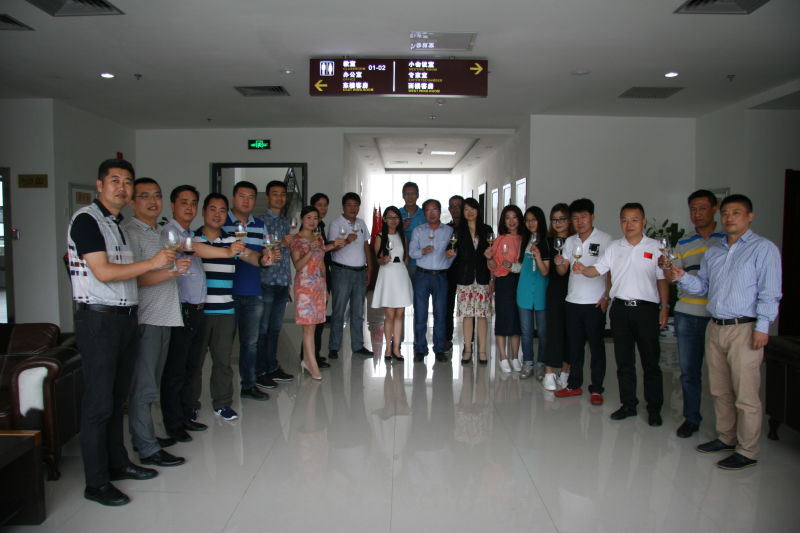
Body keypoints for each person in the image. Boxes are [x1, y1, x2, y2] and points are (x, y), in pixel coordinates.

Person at [67, 159, 174, 506]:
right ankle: (96, 483)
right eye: (115, 181)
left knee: (116, 400)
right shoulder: (87, 220)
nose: (122, 187)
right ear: (100, 185)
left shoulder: (116, 225)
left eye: (127, 182)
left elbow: (126, 273)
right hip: (99, 320)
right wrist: (154, 263)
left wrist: (156, 268)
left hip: (125, 318)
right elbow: (103, 272)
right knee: (99, 403)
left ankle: (117, 463)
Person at [671, 194, 781, 470]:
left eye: (737, 212)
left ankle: (748, 450)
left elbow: (770, 292)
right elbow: (703, 286)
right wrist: (683, 277)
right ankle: (726, 437)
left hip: (745, 328)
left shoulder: (763, 249)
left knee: (745, 393)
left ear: (750, 216)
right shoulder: (715, 252)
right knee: (719, 389)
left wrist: (763, 327)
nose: (729, 218)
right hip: (715, 326)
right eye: (727, 213)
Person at [573, 202, 669, 426]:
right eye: (624, 220)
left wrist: (664, 307)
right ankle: (628, 404)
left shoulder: (656, 247)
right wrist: (583, 270)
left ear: (643, 221)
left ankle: (654, 408)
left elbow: (662, 279)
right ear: (620, 222)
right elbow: (598, 270)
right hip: (620, 310)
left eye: (634, 220)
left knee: (650, 362)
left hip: (646, 311)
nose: (629, 224)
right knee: (624, 361)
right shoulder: (614, 247)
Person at [122, 178, 189, 469]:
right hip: (147, 318)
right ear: (132, 202)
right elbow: (134, 278)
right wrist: (172, 272)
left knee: (152, 383)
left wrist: (174, 269)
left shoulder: (161, 232)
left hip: (165, 316)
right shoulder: (130, 232)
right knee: (144, 386)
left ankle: (145, 436)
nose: (152, 201)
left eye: (156, 196)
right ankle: (147, 448)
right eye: (145, 196)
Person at [192, 193, 266, 422]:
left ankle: (222, 403)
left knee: (223, 362)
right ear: (204, 212)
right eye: (212, 209)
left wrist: (263, 260)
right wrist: (227, 251)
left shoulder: (232, 241)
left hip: (225, 310)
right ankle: (190, 405)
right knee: (194, 362)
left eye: (222, 210)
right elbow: (194, 251)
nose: (217, 214)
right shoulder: (192, 239)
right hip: (199, 312)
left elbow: (250, 256)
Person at [669, 190, 724, 439]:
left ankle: (727, 427)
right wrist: (668, 271)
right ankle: (691, 418)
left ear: (714, 208)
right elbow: (675, 276)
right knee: (689, 371)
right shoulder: (684, 243)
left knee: (721, 374)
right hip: (687, 314)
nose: (697, 213)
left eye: (702, 208)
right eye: (693, 209)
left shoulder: (726, 240)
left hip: (716, 315)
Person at [161, 185, 213, 442]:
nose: (189, 207)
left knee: (191, 367)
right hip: (181, 309)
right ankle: (173, 424)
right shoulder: (170, 233)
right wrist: (228, 251)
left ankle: (185, 415)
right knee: (176, 370)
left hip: (197, 308)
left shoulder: (190, 233)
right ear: (172, 205)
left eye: (193, 203)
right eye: (184, 202)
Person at [554, 198, 612, 403]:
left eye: (583, 217)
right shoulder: (570, 241)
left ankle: (596, 389)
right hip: (573, 301)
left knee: (596, 347)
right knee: (574, 346)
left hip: (595, 302)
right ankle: (574, 384)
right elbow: (563, 271)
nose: (579, 221)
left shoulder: (605, 240)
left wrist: (606, 296)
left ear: (592, 217)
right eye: (575, 218)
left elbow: (610, 272)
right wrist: (559, 262)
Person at [223, 181, 270, 401]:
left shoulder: (260, 225)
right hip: (225, 292)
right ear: (233, 198)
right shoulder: (222, 222)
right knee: (223, 345)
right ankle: (222, 393)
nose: (246, 200)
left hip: (252, 292)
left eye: (251, 197)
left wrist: (269, 257)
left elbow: (264, 253)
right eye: (242, 196)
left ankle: (249, 385)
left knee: (250, 343)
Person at [254, 180, 296, 387]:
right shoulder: (259, 222)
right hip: (266, 281)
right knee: (262, 329)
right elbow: (258, 249)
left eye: (282, 194)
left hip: (282, 282)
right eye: (275, 193)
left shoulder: (287, 222)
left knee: (275, 329)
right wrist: (281, 243)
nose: (279, 197)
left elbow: (287, 253)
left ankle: (272, 367)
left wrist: (289, 281)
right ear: (268, 197)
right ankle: (259, 370)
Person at [292, 206, 337, 380]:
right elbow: (297, 265)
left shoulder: (319, 238)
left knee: (315, 325)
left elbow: (321, 264)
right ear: (302, 219)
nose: (312, 221)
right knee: (308, 327)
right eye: (309, 217)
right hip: (304, 287)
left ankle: (307, 360)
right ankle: (312, 364)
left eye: (315, 218)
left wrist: (325, 286)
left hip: (318, 286)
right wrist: (310, 250)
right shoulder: (296, 240)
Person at [409, 199, 457, 362]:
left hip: (441, 276)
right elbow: (412, 253)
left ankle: (439, 349)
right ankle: (420, 349)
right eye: (428, 210)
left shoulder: (449, 231)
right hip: (422, 276)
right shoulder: (418, 230)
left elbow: (453, 252)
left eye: (434, 209)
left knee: (440, 313)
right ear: (424, 213)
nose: (431, 213)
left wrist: (449, 258)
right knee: (420, 313)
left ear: (440, 211)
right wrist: (422, 251)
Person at [327, 192, 374, 358]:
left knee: (358, 312)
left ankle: (358, 345)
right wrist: (347, 240)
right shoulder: (336, 224)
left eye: (356, 205)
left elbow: (366, 246)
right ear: (343, 206)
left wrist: (370, 268)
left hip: (360, 272)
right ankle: (334, 346)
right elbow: (331, 247)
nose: (353, 208)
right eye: (349, 205)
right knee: (339, 310)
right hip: (342, 272)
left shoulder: (361, 223)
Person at [486, 205, 526, 373]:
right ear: (503, 220)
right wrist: (489, 258)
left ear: (519, 219)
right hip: (503, 282)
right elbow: (493, 266)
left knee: (517, 318)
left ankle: (515, 356)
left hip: (521, 282)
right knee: (503, 318)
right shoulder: (499, 240)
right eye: (507, 217)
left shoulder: (525, 239)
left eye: (514, 217)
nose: (511, 221)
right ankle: (503, 356)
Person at [371, 206, 413, 361]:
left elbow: (405, 259)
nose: (393, 220)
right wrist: (383, 259)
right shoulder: (380, 236)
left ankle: (396, 348)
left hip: (400, 275)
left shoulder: (403, 237)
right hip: (387, 276)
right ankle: (388, 348)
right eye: (390, 217)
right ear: (384, 219)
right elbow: (378, 260)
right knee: (389, 315)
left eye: (396, 217)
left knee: (399, 314)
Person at [453, 198, 493, 365]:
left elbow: (492, 253)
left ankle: (482, 350)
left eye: (473, 209)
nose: (470, 212)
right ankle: (468, 349)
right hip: (465, 277)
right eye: (466, 209)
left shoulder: (486, 230)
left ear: (478, 210)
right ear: (463, 212)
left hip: (483, 277)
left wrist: (492, 277)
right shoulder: (458, 231)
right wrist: (450, 253)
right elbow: (452, 250)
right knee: (467, 315)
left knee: (482, 315)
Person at [542, 203, 574, 390]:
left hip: (574, 290)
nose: (558, 223)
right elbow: (545, 271)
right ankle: (548, 372)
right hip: (554, 290)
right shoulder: (548, 242)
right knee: (553, 330)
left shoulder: (576, 241)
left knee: (570, 332)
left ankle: (565, 371)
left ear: (569, 220)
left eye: (561, 219)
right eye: (554, 219)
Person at [517, 206, 551, 379]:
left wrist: (537, 255)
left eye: (534, 220)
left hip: (540, 291)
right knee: (526, 331)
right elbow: (520, 266)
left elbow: (545, 271)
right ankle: (528, 362)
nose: (530, 223)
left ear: (540, 220)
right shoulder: (525, 240)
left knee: (543, 332)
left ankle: (541, 363)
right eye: (527, 220)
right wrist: (506, 265)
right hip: (524, 290)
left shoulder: (546, 242)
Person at [300, 192, 332, 367]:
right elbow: (303, 260)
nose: (323, 208)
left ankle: (313, 355)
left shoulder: (320, 229)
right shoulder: (308, 232)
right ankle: (308, 357)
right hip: (308, 282)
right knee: (310, 323)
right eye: (319, 205)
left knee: (318, 320)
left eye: (325, 205)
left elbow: (321, 254)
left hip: (321, 277)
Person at [445, 195, 465, 350]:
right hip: (449, 272)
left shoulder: (471, 227)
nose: (455, 209)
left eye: (458, 206)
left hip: (466, 272)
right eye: (452, 206)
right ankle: (447, 338)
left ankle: (469, 341)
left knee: (468, 308)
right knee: (447, 307)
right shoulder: (446, 229)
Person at [399, 181, 426, 280]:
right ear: (403, 196)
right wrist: (401, 228)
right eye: (407, 194)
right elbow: (389, 235)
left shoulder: (424, 214)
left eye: (413, 193)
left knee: (418, 289)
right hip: (401, 261)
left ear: (418, 195)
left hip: (420, 262)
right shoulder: (397, 214)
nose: (410, 197)